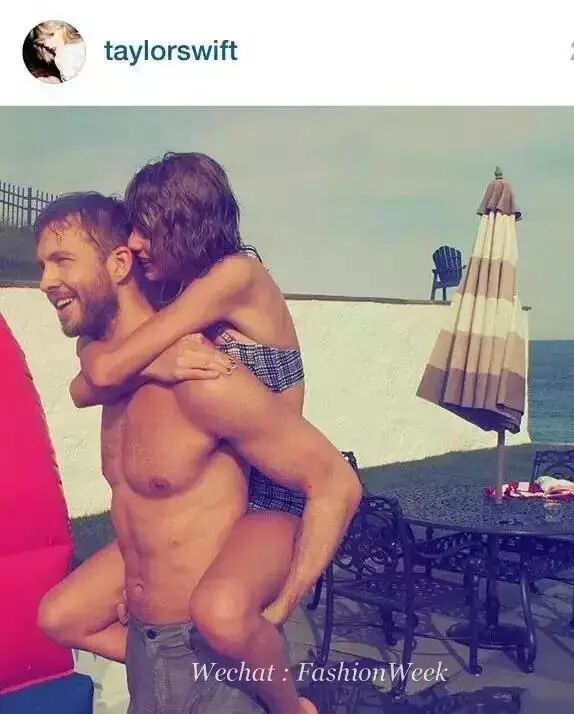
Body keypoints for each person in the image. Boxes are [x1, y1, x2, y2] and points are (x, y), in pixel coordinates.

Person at [36, 193, 362, 713]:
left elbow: (334, 480)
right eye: (43, 265)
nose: (45, 280)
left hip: (209, 646)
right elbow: (89, 379)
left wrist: (280, 609)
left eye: (61, 261)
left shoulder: (203, 375)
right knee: (56, 616)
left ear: (119, 264)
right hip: (147, 650)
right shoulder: (110, 376)